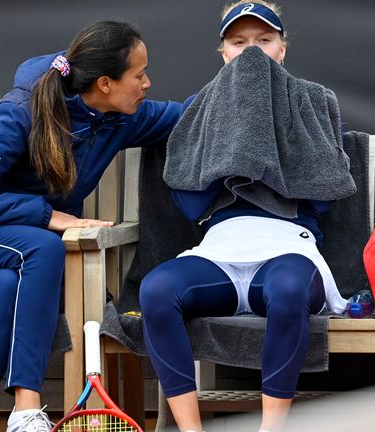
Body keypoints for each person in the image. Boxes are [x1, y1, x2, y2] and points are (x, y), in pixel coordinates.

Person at [0, 20, 183, 432]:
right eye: (139, 74)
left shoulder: (118, 119)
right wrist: (47, 215)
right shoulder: (19, 113)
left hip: (3, 264)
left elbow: (192, 112)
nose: (148, 83)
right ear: (106, 83)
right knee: (42, 246)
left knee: (5, 292)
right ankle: (26, 408)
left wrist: (248, 71)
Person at [139, 2, 350, 432]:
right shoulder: (203, 106)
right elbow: (189, 202)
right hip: (219, 249)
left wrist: (269, 163)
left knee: (290, 289)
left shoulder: (313, 99)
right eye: (239, 43)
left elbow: (325, 196)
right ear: (223, 53)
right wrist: (231, 159)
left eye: (263, 41)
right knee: (157, 289)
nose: (251, 53)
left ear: (282, 50)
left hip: (288, 248)